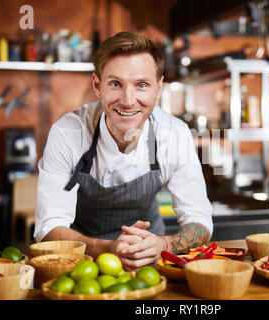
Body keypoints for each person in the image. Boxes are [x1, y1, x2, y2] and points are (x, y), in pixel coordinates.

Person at [34, 31, 213, 270]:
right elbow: (48, 227)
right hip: (82, 262)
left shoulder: (174, 134)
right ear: (97, 86)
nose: (128, 101)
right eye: (115, 84)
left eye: (141, 85)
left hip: (151, 260)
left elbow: (199, 221)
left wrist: (165, 244)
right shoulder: (69, 132)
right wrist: (105, 249)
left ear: (158, 88)